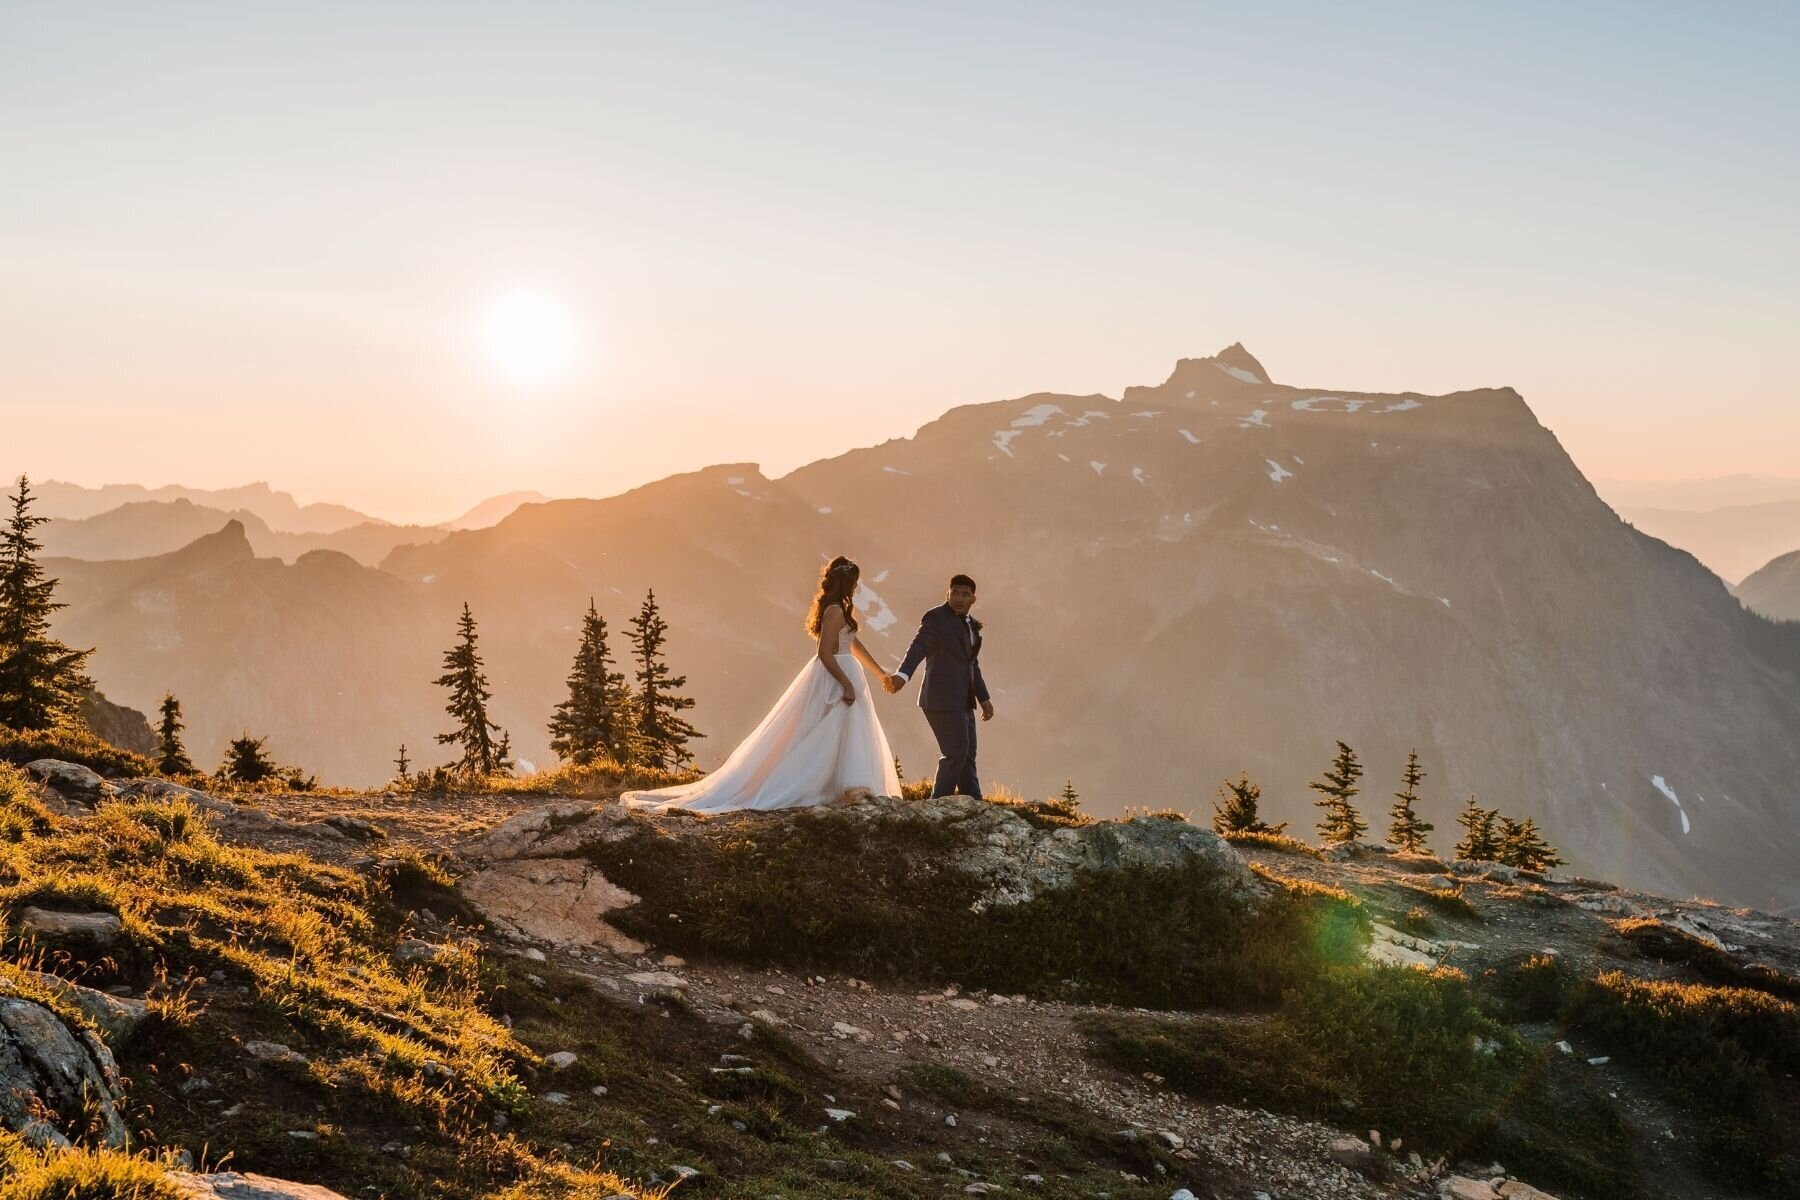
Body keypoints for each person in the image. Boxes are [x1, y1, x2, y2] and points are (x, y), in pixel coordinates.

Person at [622, 556, 901, 811]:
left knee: (845, 729)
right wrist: (846, 684)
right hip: (837, 676)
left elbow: (852, 643)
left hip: (848, 672)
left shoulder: (840, 610)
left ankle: (849, 786)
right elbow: (824, 653)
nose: (856, 587)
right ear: (847, 582)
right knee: (830, 729)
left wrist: (879, 673)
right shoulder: (834, 611)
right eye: (855, 582)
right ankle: (845, 786)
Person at [883, 573, 993, 799]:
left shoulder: (972, 625)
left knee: (968, 754)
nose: (959, 598)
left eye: (965, 594)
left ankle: (973, 802)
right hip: (939, 698)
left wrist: (984, 698)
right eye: (955, 593)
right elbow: (919, 647)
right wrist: (903, 675)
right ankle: (937, 805)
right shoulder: (935, 618)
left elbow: (972, 664)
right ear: (947, 593)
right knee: (955, 752)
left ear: (974, 598)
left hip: (964, 700)